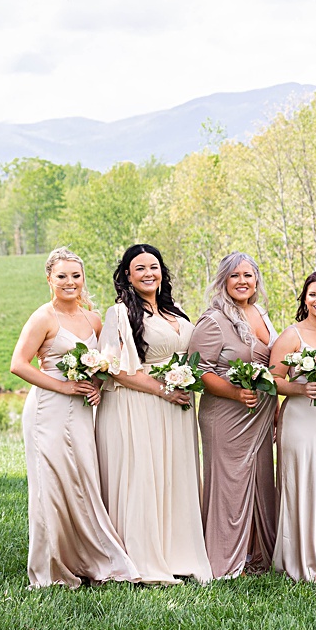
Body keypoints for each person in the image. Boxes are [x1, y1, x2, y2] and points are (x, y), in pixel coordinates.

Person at [10, 247, 138, 589]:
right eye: (62, 276)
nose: (70, 282)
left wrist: (95, 386)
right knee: (49, 486)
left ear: (83, 279)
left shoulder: (92, 319)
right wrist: (62, 388)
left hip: (82, 413)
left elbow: (100, 364)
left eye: (76, 275)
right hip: (47, 412)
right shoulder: (43, 317)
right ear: (49, 279)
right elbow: (18, 364)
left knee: (82, 482)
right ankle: (50, 566)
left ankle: (91, 558)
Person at [96, 243, 212, 584]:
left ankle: (178, 553)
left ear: (163, 272)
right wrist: (164, 389)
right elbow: (114, 368)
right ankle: (143, 557)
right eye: (140, 268)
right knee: (145, 476)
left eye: (154, 267)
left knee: (175, 477)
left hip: (178, 407)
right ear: (128, 276)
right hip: (140, 404)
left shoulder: (176, 312)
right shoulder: (119, 314)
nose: (149, 273)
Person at [188, 251, 279, 579]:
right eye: (235, 276)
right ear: (223, 281)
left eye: (248, 275)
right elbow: (198, 371)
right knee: (229, 486)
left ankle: (257, 555)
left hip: (260, 418)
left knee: (260, 483)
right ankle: (225, 559)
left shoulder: (261, 314)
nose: (242, 282)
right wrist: (234, 391)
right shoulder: (213, 321)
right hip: (226, 417)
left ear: (256, 280)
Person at [267, 271, 316, 582]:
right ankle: (297, 558)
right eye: (313, 295)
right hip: (299, 417)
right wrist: (300, 389)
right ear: (304, 299)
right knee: (299, 481)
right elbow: (272, 378)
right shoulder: (292, 335)